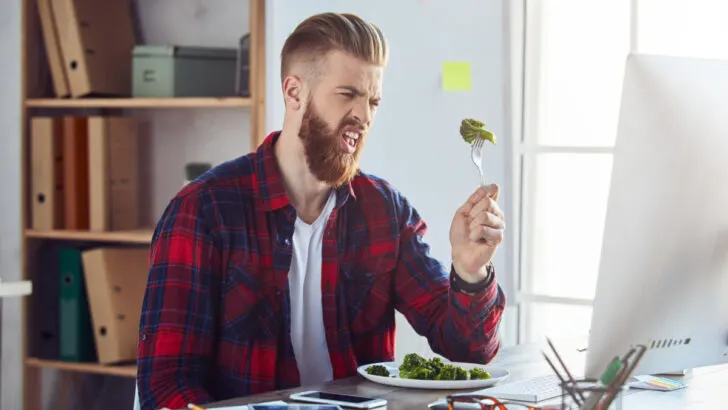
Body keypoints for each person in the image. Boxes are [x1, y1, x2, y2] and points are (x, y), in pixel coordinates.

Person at [136, 12, 506, 410]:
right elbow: (166, 385)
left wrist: (470, 271)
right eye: (348, 94)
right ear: (294, 92)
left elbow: (468, 350)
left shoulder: (385, 210)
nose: (364, 116)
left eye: (373, 100)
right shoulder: (202, 211)